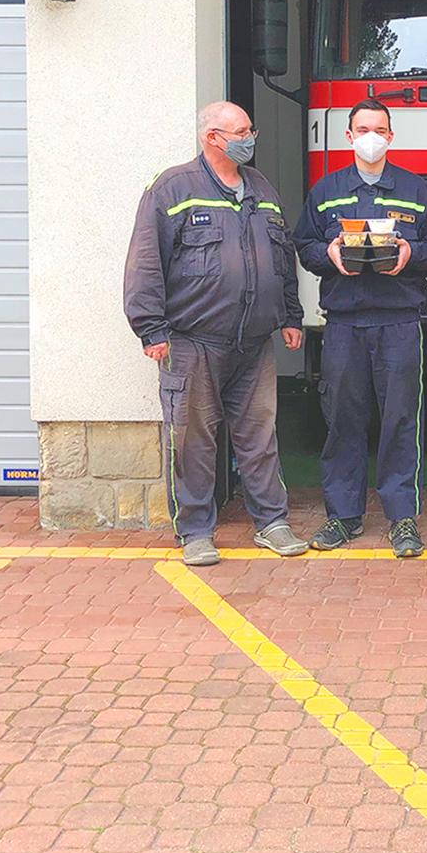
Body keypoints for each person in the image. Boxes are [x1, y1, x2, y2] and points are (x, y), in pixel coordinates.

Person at [123, 101, 307, 566]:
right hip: (191, 341)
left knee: (259, 436)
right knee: (192, 440)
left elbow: (281, 259)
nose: (251, 138)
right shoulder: (172, 188)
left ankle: (272, 522)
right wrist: (151, 329)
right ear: (213, 137)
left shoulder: (260, 188)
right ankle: (195, 531)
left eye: (251, 129)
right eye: (242, 132)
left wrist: (290, 315)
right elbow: (146, 262)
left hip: (254, 341)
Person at [293, 99, 427, 558]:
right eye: (363, 128)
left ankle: (402, 519)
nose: (371, 136)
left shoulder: (416, 191)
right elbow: (304, 244)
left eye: (379, 129)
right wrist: (330, 255)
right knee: (343, 420)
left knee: (401, 420)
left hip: (398, 321)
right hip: (343, 323)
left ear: (391, 137)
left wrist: (409, 253)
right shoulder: (326, 190)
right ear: (349, 136)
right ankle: (342, 517)